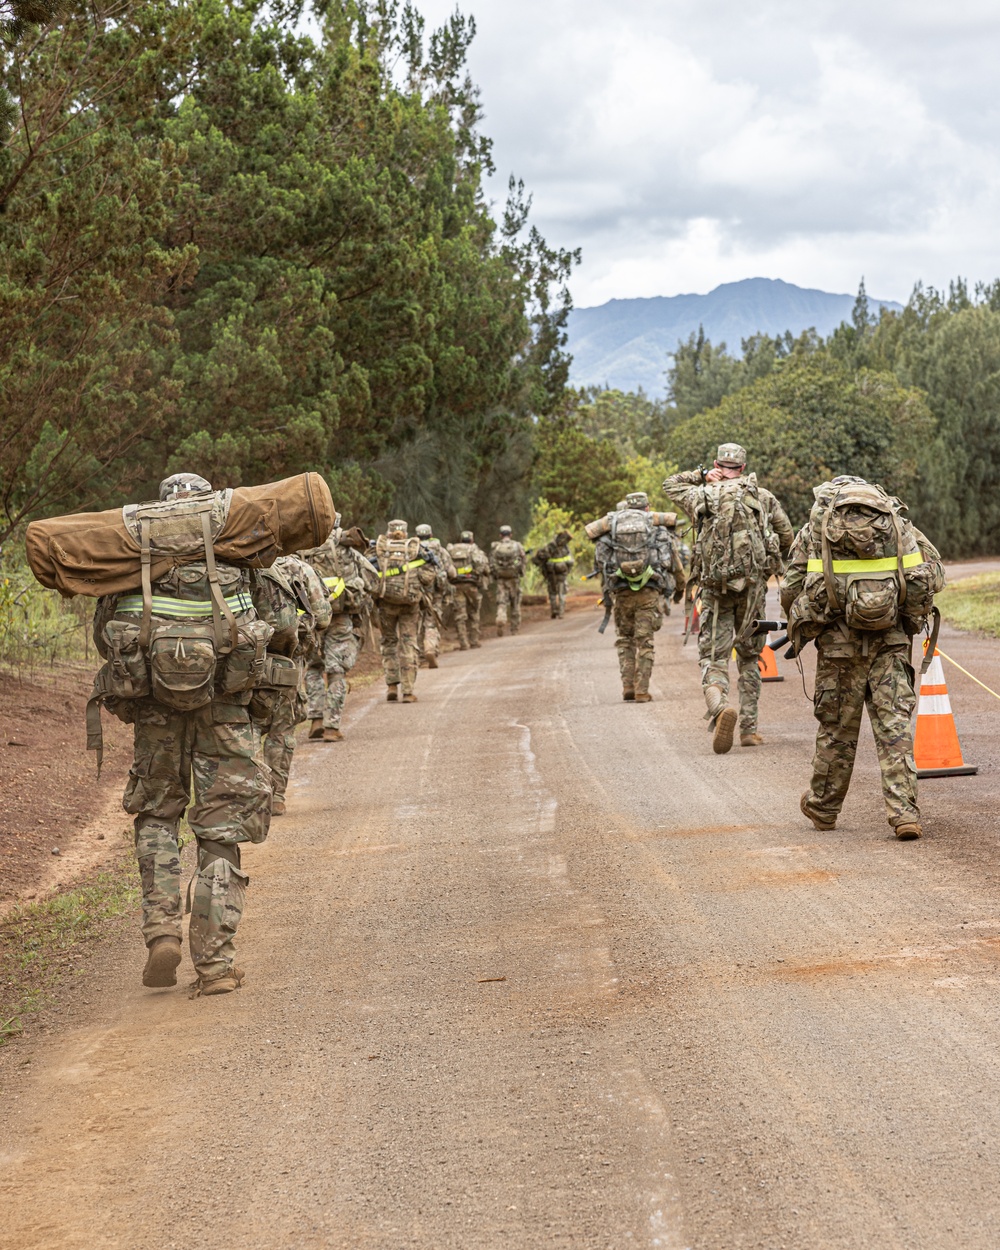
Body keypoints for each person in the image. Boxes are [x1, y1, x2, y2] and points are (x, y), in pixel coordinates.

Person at [93, 473, 273, 997]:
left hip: (155, 715)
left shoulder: (133, 559)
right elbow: (280, 626)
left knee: (157, 813)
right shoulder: (237, 554)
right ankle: (215, 966)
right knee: (222, 828)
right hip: (226, 712)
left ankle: (160, 933)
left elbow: (106, 638)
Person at [781, 476, 944, 840]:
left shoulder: (817, 529)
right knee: (894, 728)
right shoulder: (896, 524)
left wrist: (804, 618)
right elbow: (933, 574)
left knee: (837, 729)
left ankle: (823, 808)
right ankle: (904, 814)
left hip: (838, 645)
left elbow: (791, 588)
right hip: (891, 641)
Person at [663, 443, 793, 754]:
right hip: (752, 590)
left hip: (714, 590)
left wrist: (701, 476)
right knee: (749, 658)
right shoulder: (761, 497)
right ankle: (749, 729)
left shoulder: (700, 496)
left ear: (716, 465)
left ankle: (720, 706)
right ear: (744, 469)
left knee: (713, 658)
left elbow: (670, 484)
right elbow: (787, 535)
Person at [588, 491, 685, 702]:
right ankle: (642, 690)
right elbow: (671, 563)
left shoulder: (611, 528)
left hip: (621, 592)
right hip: (648, 592)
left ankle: (627, 686)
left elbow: (600, 564)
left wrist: (608, 590)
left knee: (625, 639)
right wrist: (679, 588)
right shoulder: (657, 528)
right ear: (647, 508)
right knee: (645, 641)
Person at [253, 554, 331, 814]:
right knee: (281, 730)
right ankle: (276, 797)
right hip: (288, 662)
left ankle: (253, 793)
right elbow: (323, 618)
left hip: (245, 662)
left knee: (246, 726)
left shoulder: (240, 563)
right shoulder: (299, 568)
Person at [299, 517, 377, 740]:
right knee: (336, 670)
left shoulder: (303, 546)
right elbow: (372, 579)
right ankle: (332, 726)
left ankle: (315, 721)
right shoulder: (345, 547)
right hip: (341, 616)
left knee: (313, 668)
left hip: (311, 618)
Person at [374, 519, 438, 700]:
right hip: (410, 606)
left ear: (388, 532)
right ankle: (408, 691)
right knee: (408, 643)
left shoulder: (380, 548)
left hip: (385, 604)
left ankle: (392, 687)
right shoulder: (415, 549)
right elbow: (427, 577)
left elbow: (369, 574)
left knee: (388, 642)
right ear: (406, 532)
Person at [415, 522, 455, 667]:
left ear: (416, 536)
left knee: (417, 622)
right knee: (431, 622)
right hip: (436, 594)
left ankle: (420, 657)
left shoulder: (412, 549)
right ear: (431, 535)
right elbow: (452, 572)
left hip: (417, 593)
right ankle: (430, 648)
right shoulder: (440, 550)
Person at [447, 529, 491, 650]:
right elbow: (483, 567)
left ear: (461, 540)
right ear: (471, 540)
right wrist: (478, 573)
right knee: (474, 612)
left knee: (459, 615)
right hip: (471, 585)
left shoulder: (451, 549)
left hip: (455, 585)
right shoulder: (474, 549)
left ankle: (463, 643)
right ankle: (474, 641)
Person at [489, 525, 527, 637]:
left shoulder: (496, 547)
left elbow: (491, 562)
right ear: (510, 534)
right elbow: (523, 560)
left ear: (500, 535)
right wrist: (520, 572)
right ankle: (514, 629)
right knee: (515, 603)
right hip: (514, 579)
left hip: (501, 578)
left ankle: (500, 618)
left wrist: (494, 575)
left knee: (501, 602)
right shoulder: (517, 545)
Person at [533, 530, 575, 618]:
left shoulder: (549, 547)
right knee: (562, 593)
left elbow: (540, 560)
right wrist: (568, 571)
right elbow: (570, 562)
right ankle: (561, 612)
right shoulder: (565, 549)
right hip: (561, 574)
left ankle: (554, 611)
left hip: (551, 574)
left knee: (552, 593)